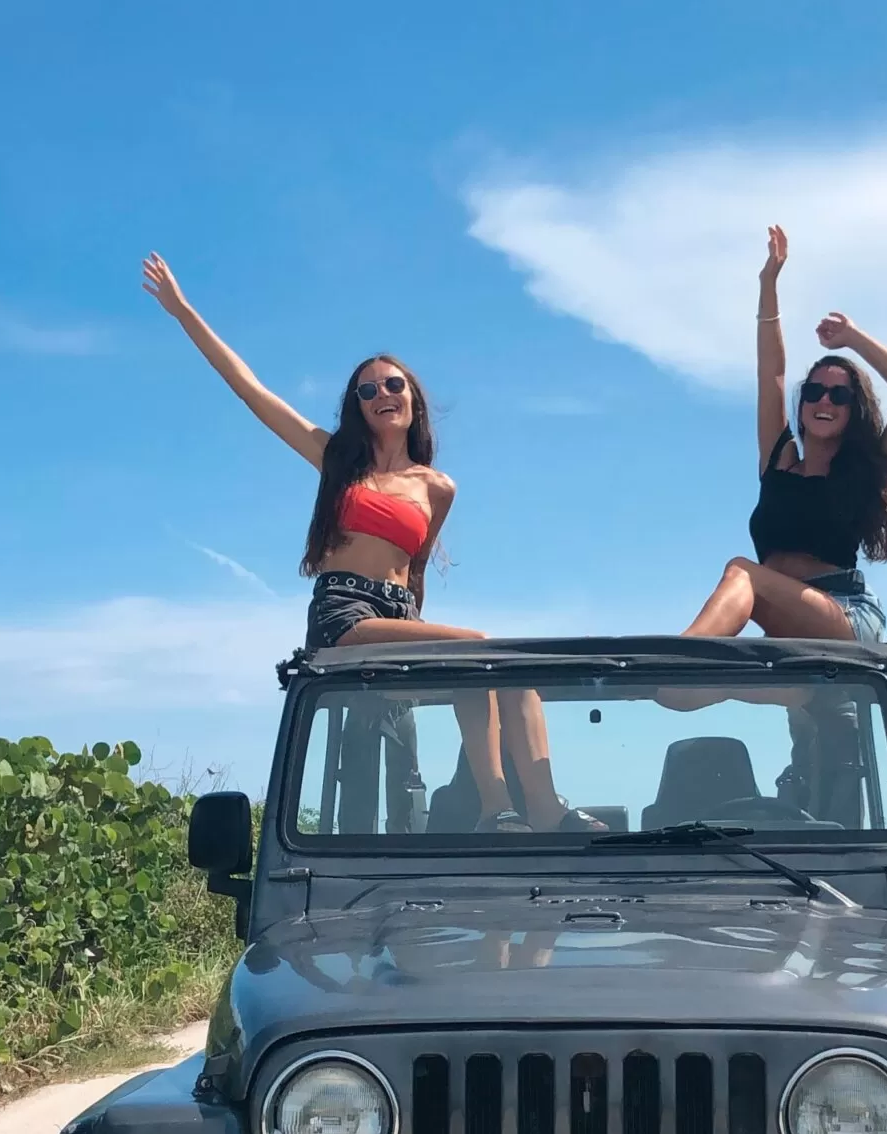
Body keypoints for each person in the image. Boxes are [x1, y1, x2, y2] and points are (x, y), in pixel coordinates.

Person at [141, 252, 593, 830]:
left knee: (507, 664)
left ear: (413, 397)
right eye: (367, 389)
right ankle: (495, 807)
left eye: (394, 383)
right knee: (477, 643)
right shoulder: (337, 462)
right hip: (344, 612)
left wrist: (422, 640)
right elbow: (250, 390)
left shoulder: (438, 488)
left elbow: (416, 570)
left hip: (396, 617)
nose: (383, 392)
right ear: (357, 406)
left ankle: (545, 810)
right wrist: (182, 310)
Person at [682, 226, 887, 642]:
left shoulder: (866, 473)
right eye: (814, 392)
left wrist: (852, 339)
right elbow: (772, 373)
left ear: (855, 411)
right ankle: (614, 685)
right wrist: (768, 284)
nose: (824, 401)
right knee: (684, 698)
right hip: (788, 623)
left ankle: (674, 659)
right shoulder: (779, 460)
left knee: (742, 571)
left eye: (839, 395)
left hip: (844, 615)